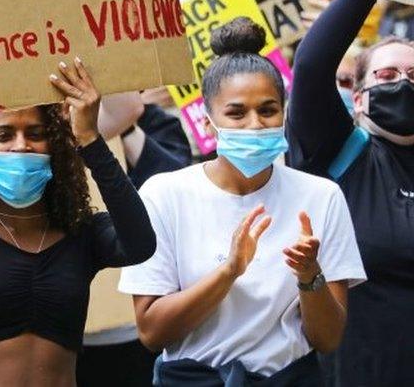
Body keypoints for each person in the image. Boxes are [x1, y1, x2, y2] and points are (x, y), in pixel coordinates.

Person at [119, 19, 366, 384]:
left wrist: (309, 275)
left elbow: (327, 339)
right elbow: (152, 332)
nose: (254, 124)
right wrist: (229, 272)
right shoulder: (164, 194)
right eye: (236, 113)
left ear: (285, 113)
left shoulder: (320, 196)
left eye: (268, 110)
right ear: (207, 123)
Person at [0, 56, 156, 386]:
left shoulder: (82, 233)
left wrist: (90, 140)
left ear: (54, 145)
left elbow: (140, 245)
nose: (21, 146)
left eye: (35, 133)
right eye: (4, 135)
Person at [287, 0, 414, 385]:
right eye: (387, 76)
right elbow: (311, 65)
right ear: (357, 98)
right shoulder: (340, 152)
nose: (404, 84)